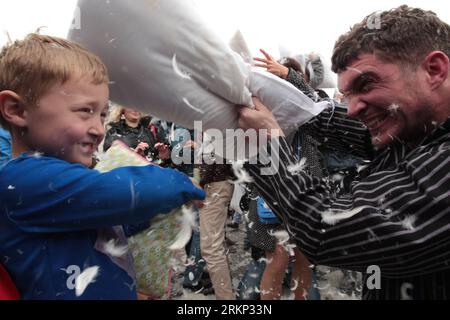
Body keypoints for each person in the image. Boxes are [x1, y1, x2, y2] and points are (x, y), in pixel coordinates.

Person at [238, 5, 450, 299]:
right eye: (347, 95)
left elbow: (325, 228)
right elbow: (324, 119)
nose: (351, 109)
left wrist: (268, 142)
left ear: (434, 70)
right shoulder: (411, 130)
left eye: (366, 84)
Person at [0, 34, 204, 300]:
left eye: (103, 114)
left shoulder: (63, 186)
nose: (98, 129)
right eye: (85, 111)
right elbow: (135, 191)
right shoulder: (21, 180)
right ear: (17, 109)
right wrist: (182, 184)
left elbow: (110, 226)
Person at [103, 106, 169, 163]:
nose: (135, 108)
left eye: (137, 104)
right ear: (122, 108)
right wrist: (133, 157)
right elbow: (109, 163)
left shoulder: (153, 129)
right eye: (130, 105)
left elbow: (165, 161)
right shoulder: (114, 133)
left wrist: (163, 157)